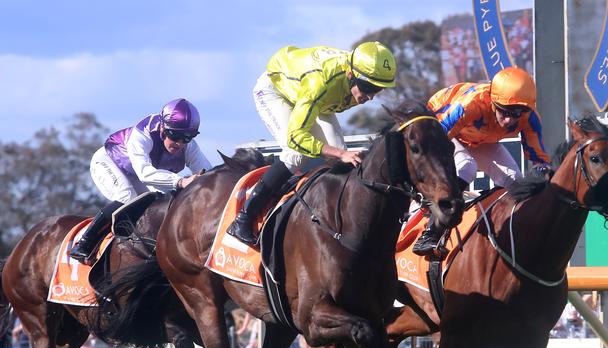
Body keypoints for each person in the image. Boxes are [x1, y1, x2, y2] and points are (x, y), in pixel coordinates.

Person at [227, 41, 397, 246]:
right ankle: (244, 218)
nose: (371, 96)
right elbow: (296, 137)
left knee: (340, 159)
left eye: (378, 90)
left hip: (315, 100)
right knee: (296, 154)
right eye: (368, 87)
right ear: (351, 74)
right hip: (277, 92)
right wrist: (338, 153)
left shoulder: (352, 76)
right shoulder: (320, 83)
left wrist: (339, 154)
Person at [413, 66, 552, 257]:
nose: (509, 120)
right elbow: (437, 140)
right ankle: (431, 233)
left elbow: (538, 158)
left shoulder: (530, 117)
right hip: (441, 127)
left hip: (481, 138)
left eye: (517, 113)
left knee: (515, 181)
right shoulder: (472, 103)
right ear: (493, 102)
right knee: (467, 167)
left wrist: (546, 173)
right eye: (504, 111)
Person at [70, 98, 213, 263]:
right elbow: (145, 173)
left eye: (187, 137)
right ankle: (84, 244)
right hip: (109, 162)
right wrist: (181, 182)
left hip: (135, 173)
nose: (180, 143)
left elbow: (208, 174)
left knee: (152, 206)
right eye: (175, 135)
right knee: (127, 197)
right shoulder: (143, 133)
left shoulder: (189, 147)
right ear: (163, 127)